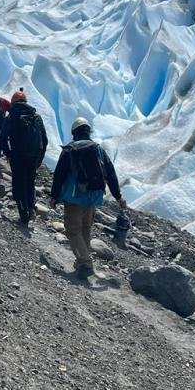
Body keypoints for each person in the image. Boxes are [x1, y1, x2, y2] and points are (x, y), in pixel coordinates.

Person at [50, 117, 126, 278]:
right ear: (88, 131)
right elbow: (110, 173)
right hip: (93, 198)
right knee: (85, 228)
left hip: (74, 198)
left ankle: (85, 263)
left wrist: (54, 197)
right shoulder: (98, 149)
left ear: (74, 133)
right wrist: (118, 196)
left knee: (72, 230)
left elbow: (59, 175)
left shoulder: (70, 149)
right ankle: (82, 260)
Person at [1, 89, 48, 224]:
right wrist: (39, 158)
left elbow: (2, 138)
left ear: (13, 102)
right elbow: (44, 140)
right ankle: (31, 207)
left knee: (18, 184)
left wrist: (8, 154)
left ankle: (24, 213)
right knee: (30, 182)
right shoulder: (36, 117)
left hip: (17, 157)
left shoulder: (11, 117)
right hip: (33, 157)